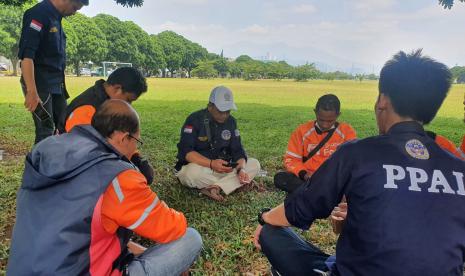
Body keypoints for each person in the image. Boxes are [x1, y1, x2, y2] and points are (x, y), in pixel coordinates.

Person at [253, 50, 465, 276]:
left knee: (271, 232)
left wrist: (264, 218)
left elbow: (299, 209)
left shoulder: (358, 152)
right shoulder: (459, 167)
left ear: (382, 100)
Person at [7, 100, 202, 275]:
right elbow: (172, 228)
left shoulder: (46, 148)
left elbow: (73, 228)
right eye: (137, 142)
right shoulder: (119, 177)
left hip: (25, 267)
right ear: (124, 138)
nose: (135, 149)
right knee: (191, 238)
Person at [65, 67, 154, 184]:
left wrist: (135, 157)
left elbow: (121, 138)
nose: (129, 105)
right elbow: (81, 153)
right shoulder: (87, 109)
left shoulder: (111, 103)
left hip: (99, 158)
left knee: (143, 173)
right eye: (128, 100)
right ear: (117, 88)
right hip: (77, 165)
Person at [19, 0, 88, 144]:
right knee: (46, 129)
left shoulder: (57, 18)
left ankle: (59, 164)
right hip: (39, 84)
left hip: (57, 84)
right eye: (74, 7)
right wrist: (32, 91)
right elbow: (27, 56)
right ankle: (38, 165)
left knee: (65, 125)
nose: (74, 12)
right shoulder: (38, 14)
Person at [175, 86, 260, 201]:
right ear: (210, 106)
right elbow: (186, 152)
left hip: (226, 169)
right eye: (221, 111)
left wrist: (241, 170)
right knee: (188, 174)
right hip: (203, 168)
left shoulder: (231, 122)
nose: (224, 115)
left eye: (228, 111)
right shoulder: (194, 119)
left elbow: (238, 151)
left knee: (254, 164)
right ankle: (232, 184)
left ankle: (216, 187)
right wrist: (211, 163)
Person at [274, 94, 356, 193]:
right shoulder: (302, 131)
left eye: (330, 121)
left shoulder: (347, 132)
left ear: (338, 115)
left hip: (333, 180)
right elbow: (291, 160)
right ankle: (317, 194)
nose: (325, 125)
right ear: (315, 112)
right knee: (280, 178)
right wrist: (304, 174)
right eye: (321, 119)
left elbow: (351, 162)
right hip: (307, 179)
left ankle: (311, 194)